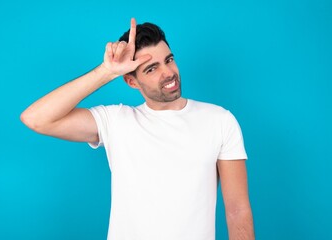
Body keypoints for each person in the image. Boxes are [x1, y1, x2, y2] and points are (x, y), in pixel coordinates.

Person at [21, 18, 255, 240]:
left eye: (169, 60)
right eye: (151, 69)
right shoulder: (116, 121)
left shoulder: (219, 121)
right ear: (131, 81)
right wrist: (107, 71)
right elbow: (37, 119)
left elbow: (237, 210)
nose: (168, 73)